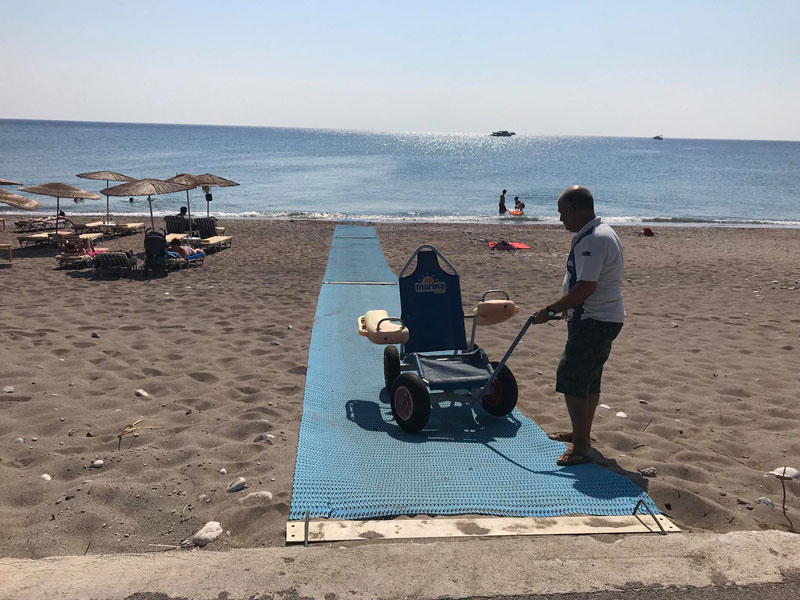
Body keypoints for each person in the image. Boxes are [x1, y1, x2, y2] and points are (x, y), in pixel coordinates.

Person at [531, 185, 625, 466]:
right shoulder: (600, 232)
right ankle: (581, 434)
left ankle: (581, 447)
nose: (560, 218)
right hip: (598, 317)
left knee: (571, 378)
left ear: (572, 210)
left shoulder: (594, 239)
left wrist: (550, 309)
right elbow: (583, 284)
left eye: (562, 213)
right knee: (589, 379)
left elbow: (586, 286)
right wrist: (567, 307)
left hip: (594, 321)